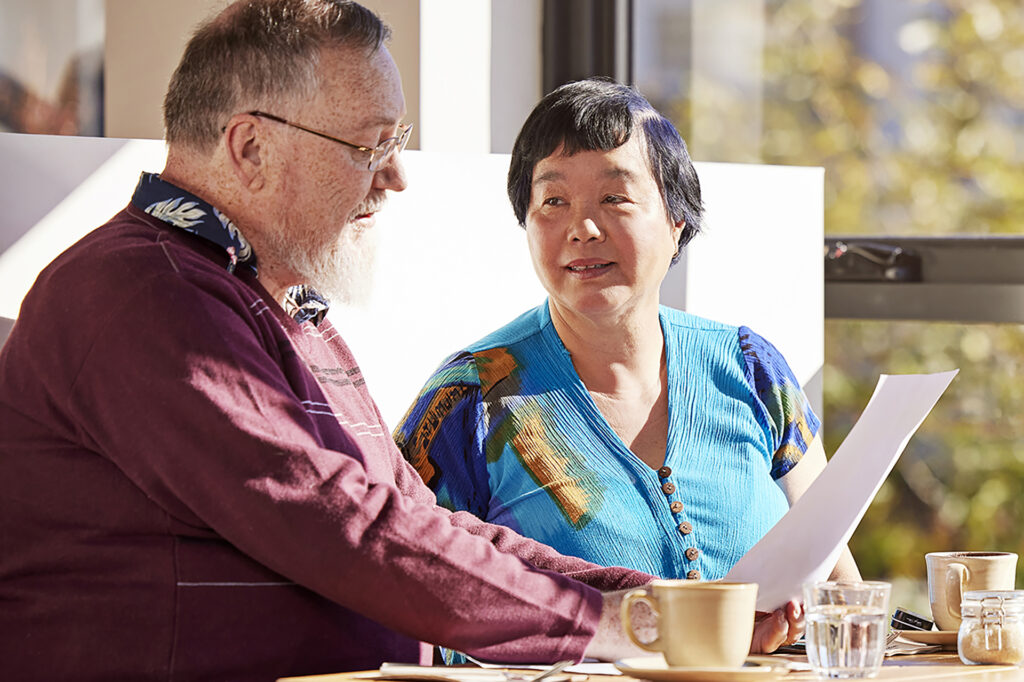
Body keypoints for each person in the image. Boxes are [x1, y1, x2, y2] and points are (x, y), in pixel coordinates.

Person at [0, 4, 669, 680]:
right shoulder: (137, 292)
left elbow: (413, 519)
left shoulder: (278, 303)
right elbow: (336, 523)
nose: (395, 175)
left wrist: (647, 603)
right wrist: (612, 627)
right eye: (368, 146)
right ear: (251, 149)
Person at [395, 79, 860, 591]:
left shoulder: (752, 370)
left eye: (614, 196)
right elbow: (411, 591)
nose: (583, 228)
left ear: (677, 219)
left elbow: (841, 589)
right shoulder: (473, 396)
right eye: (553, 201)